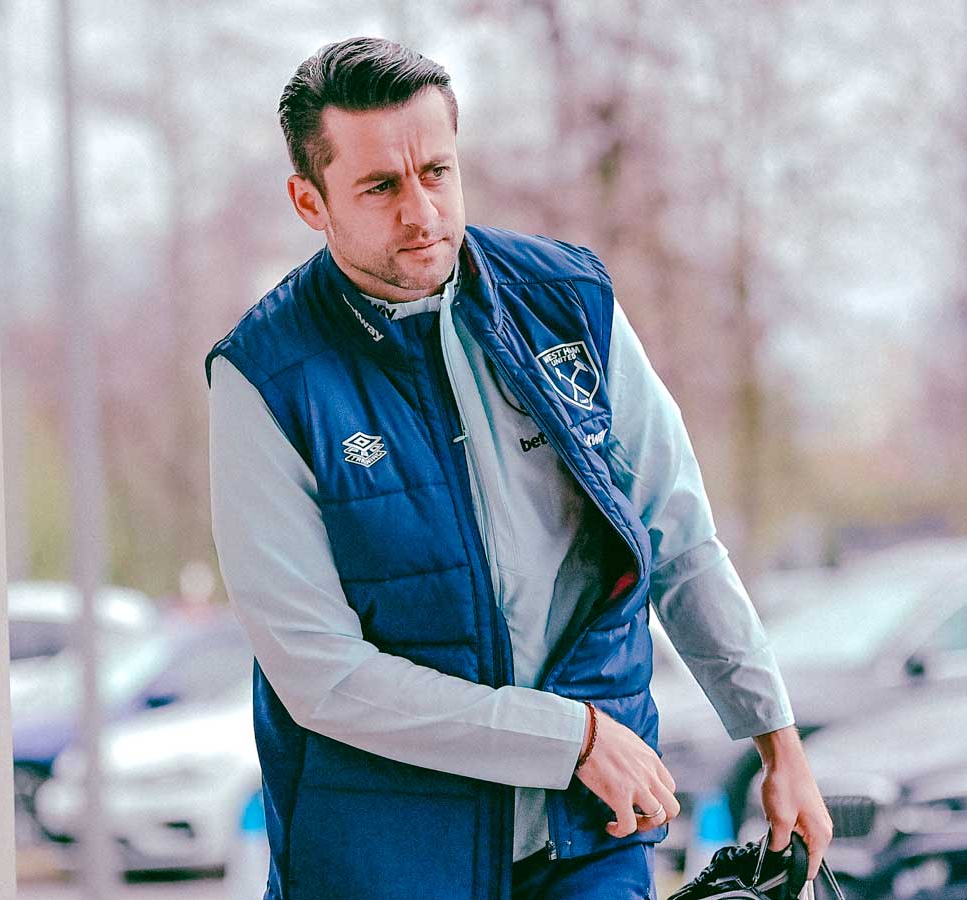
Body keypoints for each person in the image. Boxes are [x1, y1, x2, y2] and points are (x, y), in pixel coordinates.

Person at [207, 36, 831, 900]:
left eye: (436, 171)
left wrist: (777, 740)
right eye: (380, 186)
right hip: (386, 857)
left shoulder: (569, 302)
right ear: (309, 201)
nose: (420, 211)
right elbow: (322, 674)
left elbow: (678, 536)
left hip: (591, 833)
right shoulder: (266, 378)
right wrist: (565, 737)